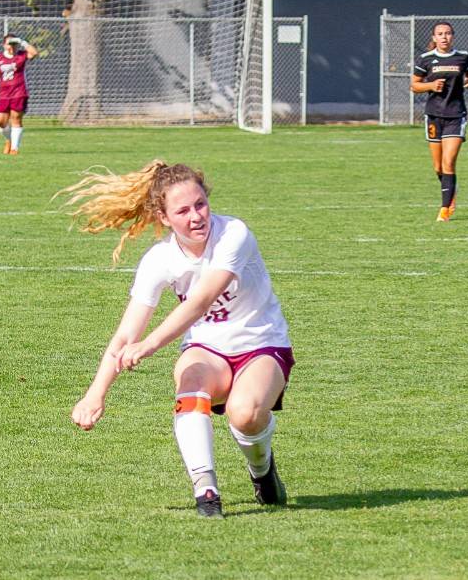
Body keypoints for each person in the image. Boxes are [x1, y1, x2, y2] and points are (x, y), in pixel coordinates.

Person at [62, 160, 294, 518]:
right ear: (164, 218)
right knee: (191, 382)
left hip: (261, 344)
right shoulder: (160, 259)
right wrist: (96, 393)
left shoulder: (234, 233)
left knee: (244, 414)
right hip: (207, 348)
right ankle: (206, 491)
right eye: (183, 210)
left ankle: (262, 472)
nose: (196, 216)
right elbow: (126, 333)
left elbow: (201, 301)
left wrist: (150, 345)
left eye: (200, 204)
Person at [410, 21, 468, 222]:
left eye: (447, 33)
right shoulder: (425, 59)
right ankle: (451, 191)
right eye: (440, 34)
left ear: (452, 36)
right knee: (438, 167)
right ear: (434, 38)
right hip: (434, 116)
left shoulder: (462, 57)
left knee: (449, 162)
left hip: (456, 115)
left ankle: (444, 209)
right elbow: (414, 85)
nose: (444, 37)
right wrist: (430, 84)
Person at [0, 34, 38, 156]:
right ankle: (9, 139)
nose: (11, 47)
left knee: (16, 119)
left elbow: (34, 53)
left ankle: (14, 148)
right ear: (4, 45)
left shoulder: (21, 55)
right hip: (4, 94)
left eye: (14, 44)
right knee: (1, 122)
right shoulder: (0, 58)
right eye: (9, 44)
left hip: (19, 92)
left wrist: (22, 41)